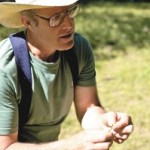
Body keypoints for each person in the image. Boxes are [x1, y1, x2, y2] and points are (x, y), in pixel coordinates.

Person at [0, 0, 134, 149]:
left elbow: (87, 107)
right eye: (56, 18)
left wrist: (106, 121)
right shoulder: (6, 67)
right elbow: (5, 147)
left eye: (70, 12)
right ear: (28, 22)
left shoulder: (78, 50)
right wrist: (72, 146)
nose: (69, 25)